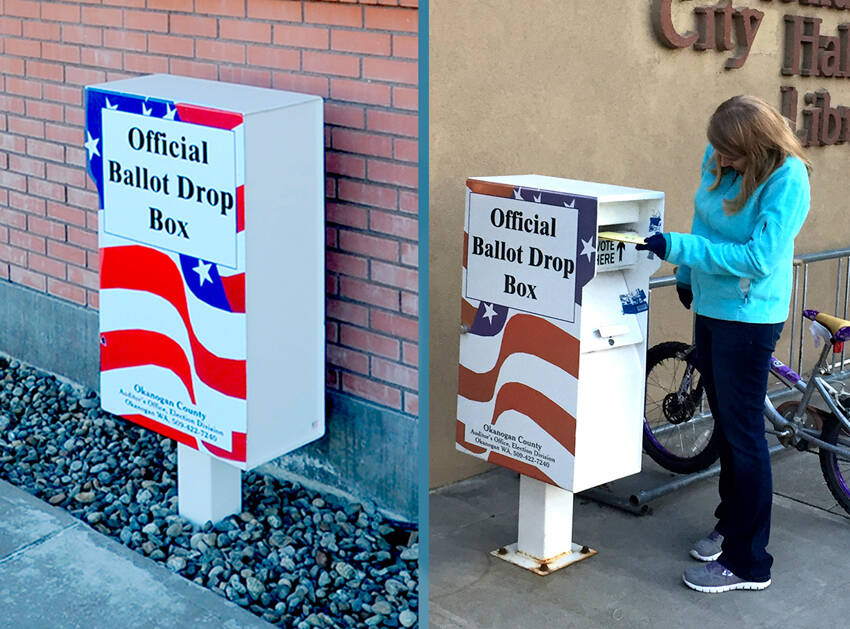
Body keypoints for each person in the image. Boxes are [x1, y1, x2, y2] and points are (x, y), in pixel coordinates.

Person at [636, 94, 812, 593]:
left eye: (729, 154)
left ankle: (748, 562)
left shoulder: (787, 178)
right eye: (716, 151)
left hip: (749, 316)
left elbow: (759, 258)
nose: (718, 160)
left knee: (744, 436)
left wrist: (678, 249)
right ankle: (729, 524)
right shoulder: (721, 156)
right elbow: (705, 219)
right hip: (714, 307)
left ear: (754, 147)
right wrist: (687, 273)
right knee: (729, 430)